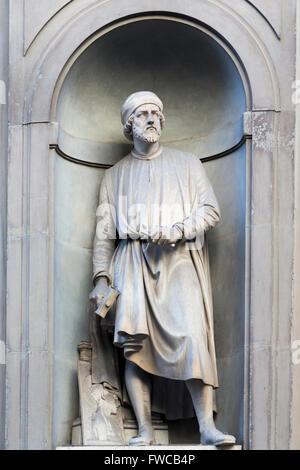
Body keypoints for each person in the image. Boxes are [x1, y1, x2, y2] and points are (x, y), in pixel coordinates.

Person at [89, 91, 236, 446]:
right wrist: (101, 277)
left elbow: (210, 210)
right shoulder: (114, 175)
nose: (152, 118)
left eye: (157, 112)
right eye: (143, 114)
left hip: (179, 259)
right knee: (134, 346)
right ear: (130, 124)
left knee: (192, 337)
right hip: (132, 261)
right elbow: (104, 233)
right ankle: (144, 431)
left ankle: (206, 429)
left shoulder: (187, 164)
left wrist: (176, 231)